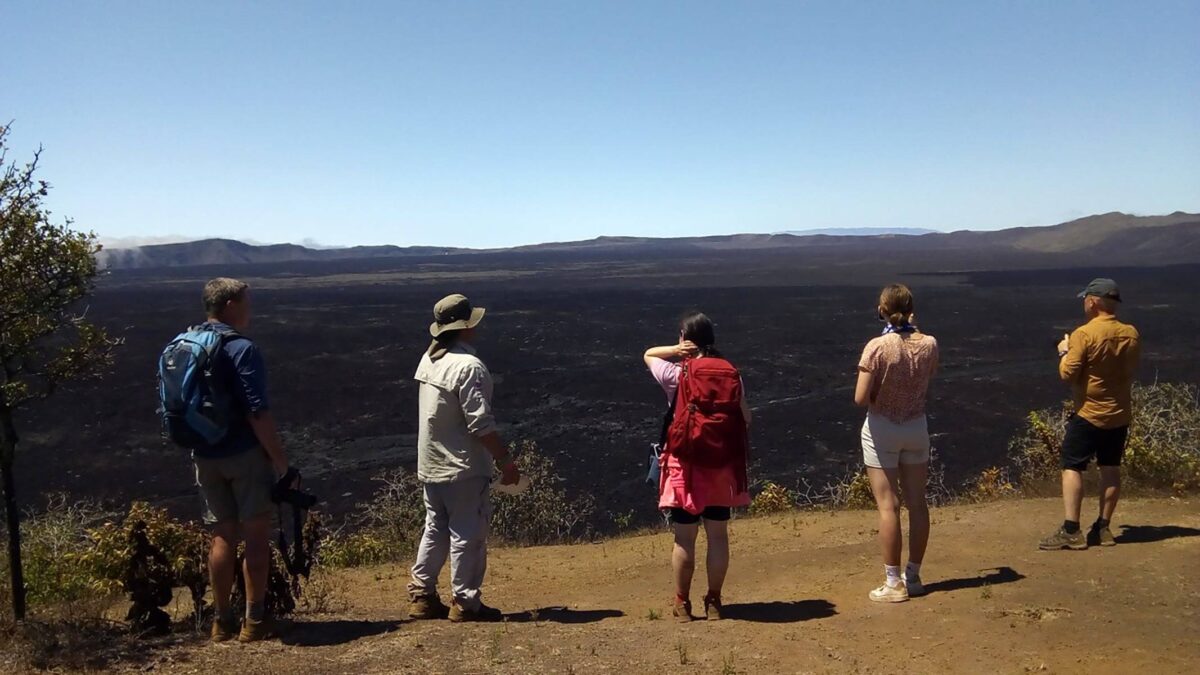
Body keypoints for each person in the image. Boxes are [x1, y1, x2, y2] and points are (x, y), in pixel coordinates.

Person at [190, 278, 294, 642]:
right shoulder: (240, 348)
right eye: (246, 300)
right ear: (231, 304)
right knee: (255, 534)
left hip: (204, 454)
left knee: (221, 534)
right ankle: (255, 619)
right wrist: (281, 461)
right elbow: (257, 412)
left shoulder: (188, 343)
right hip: (243, 453)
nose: (250, 307)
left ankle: (221, 620)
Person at [407, 294, 521, 622]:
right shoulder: (468, 366)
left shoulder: (430, 360)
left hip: (431, 464)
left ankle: (422, 593)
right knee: (467, 534)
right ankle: (465, 602)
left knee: (435, 528)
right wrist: (505, 460)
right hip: (462, 467)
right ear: (466, 326)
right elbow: (480, 424)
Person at [643, 313, 751, 622]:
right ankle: (715, 602)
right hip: (721, 465)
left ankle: (682, 603)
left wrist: (677, 352)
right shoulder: (731, 374)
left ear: (684, 338)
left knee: (684, 537)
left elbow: (648, 354)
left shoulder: (677, 374)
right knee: (718, 536)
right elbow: (746, 417)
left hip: (685, 465)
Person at [1040, 278, 1141, 550]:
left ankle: (1071, 529)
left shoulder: (1083, 335)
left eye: (1086, 298)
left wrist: (1064, 352)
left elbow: (1067, 374)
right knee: (1110, 467)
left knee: (1072, 466)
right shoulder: (1131, 333)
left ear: (1093, 302)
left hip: (1089, 413)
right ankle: (1103, 528)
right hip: (1119, 413)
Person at [854, 284, 939, 603]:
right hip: (916, 425)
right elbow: (930, 374)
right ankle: (913, 576)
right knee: (918, 503)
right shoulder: (929, 343)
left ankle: (893, 582)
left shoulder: (877, 347)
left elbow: (860, 397)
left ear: (882, 310)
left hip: (882, 428)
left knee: (888, 505)